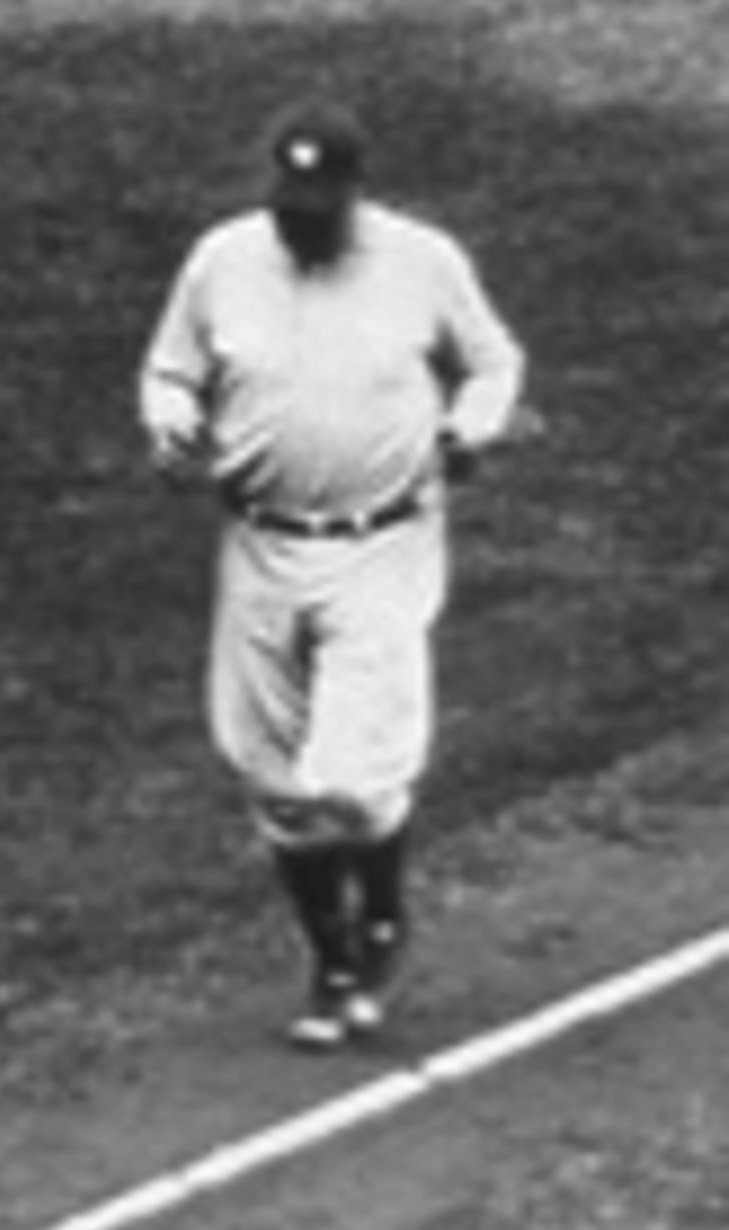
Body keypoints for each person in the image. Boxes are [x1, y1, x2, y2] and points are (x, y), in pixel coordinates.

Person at [138, 104, 527, 1049]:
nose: (299, 216)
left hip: (381, 548)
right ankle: (335, 961)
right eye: (288, 197)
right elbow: (171, 370)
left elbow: (491, 363)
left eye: (318, 201)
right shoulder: (223, 260)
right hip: (260, 548)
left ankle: (384, 908)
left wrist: (471, 428)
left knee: (351, 777)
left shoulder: (419, 261)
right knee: (270, 774)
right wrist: (168, 422)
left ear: (354, 191)